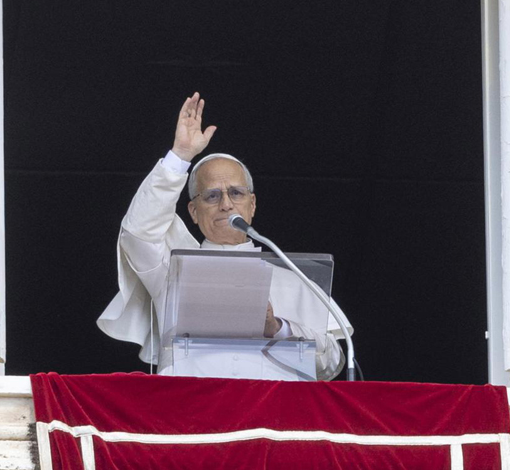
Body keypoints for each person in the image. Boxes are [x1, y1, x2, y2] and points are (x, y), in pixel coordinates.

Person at [97, 93, 349, 380]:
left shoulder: (295, 279)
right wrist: (180, 156)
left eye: (236, 193)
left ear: (252, 205)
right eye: (212, 195)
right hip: (190, 405)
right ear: (193, 211)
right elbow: (138, 232)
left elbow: (330, 365)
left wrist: (277, 328)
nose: (226, 204)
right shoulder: (170, 273)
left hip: (271, 407)